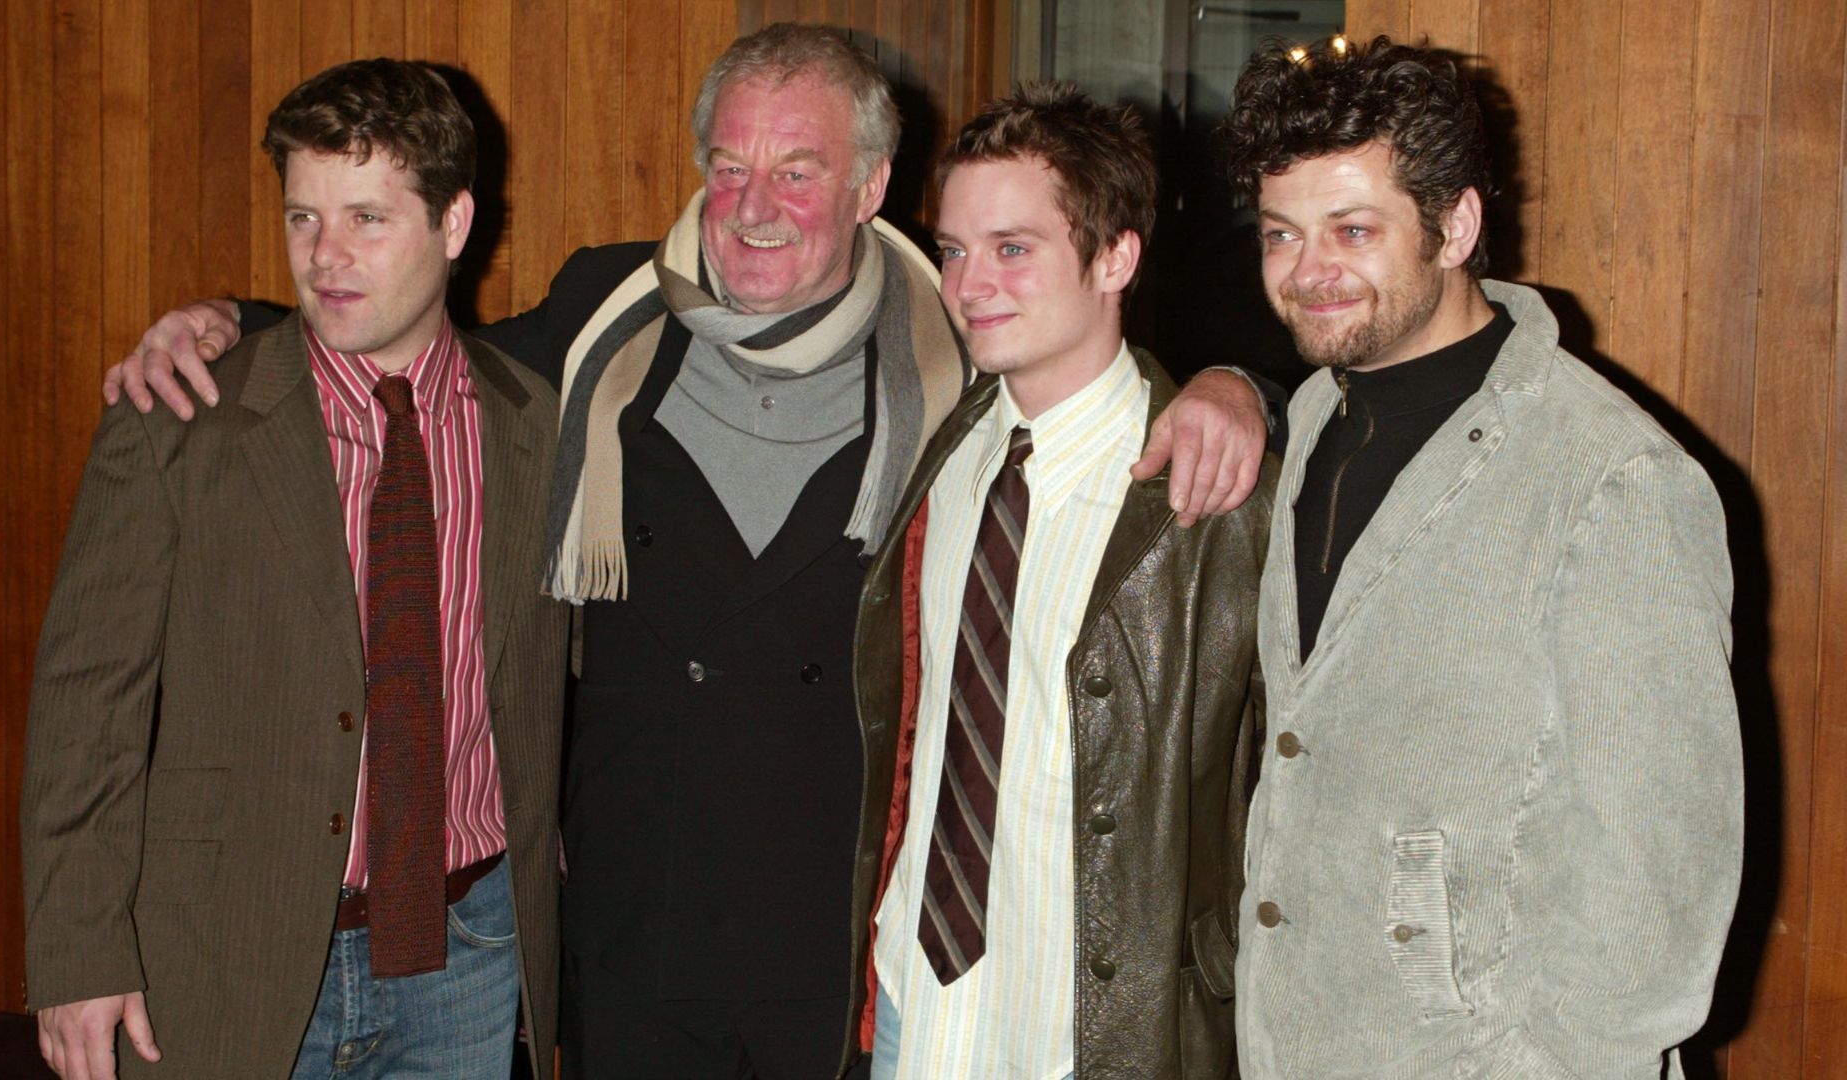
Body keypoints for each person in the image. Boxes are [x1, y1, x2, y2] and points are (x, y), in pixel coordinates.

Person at [97, 24, 1273, 1076]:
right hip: (631, 909)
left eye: (798, 171)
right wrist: (228, 320)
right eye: (729, 167)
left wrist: (1240, 383)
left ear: (870, 187)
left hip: (837, 924)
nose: (753, 205)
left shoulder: (958, 355)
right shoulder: (608, 312)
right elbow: (425, 349)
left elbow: (1114, 371)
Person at [20, 59, 569, 1080]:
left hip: (468, 951)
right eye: (304, 218)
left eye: (367, 218)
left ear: (453, 224)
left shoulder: (538, 427)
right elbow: (84, 705)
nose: (326, 258)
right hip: (224, 952)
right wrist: (79, 953)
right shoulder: (179, 421)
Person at [1221, 36, 1743, 1078]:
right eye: (1283, 234)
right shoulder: (1322, 412)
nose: (1308, 271)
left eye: (1354, 230)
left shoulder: (1616, 480)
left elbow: (1652, 904)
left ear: (1456, 224)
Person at [839, 82, 1271, 1080]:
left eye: (1013, 247)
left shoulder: (1212, 499)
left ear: (1116, 256)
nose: (969, 283)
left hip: (1094, 1026)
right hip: (920, 995)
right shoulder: (949, 454)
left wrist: (1246, 388)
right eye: (952, 249)